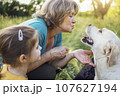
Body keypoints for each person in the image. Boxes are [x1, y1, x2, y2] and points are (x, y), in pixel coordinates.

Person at [20, 0, 95, 80]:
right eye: (70, 16)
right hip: (9, 72)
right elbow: (19, 68)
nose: (74, 21)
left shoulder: (57, 33)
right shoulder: (38, 29)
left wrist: (73, 54)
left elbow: (53, 65)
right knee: (46, 72)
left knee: (53, 67)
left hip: (27, 70)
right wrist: (49, 55)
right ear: (57, 16)